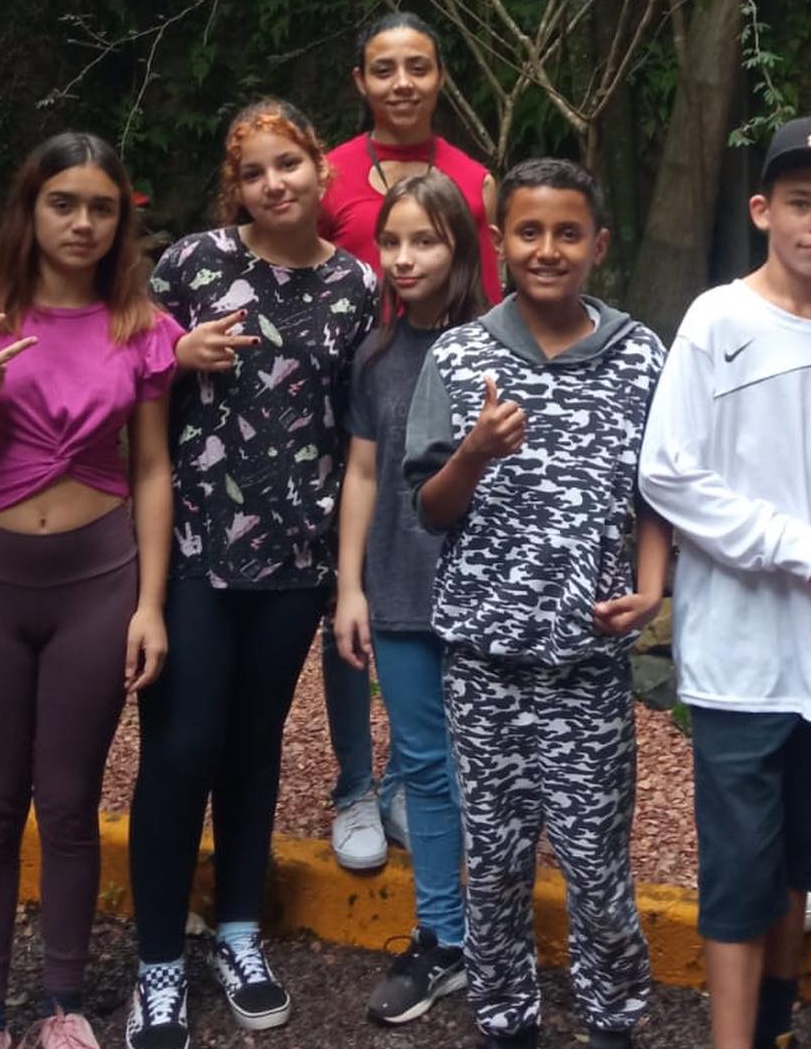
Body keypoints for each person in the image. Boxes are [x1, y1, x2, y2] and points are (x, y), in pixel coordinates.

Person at [0, 133, 179, 1049]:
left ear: (120, 219)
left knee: (67, 801)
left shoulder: (139, 324)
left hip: (97, 584)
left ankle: (64, 1004)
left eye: (102, 206)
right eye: (64, 202)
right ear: (31, 209)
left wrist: (150, 602)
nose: (83, 222)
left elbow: (151, 469)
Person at [639, 115, 811, 1049]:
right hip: (740, 658)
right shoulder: (717, 320)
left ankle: (774, 1029)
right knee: (740, 871)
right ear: (762, 210)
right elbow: (668, 472)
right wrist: (799, 544)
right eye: (800, 203)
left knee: (800, 864)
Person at [125, 100, 377, 1049]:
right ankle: (157, 963)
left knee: (254, 746)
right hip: (195, 547)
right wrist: (175, 351)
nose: (275, 183)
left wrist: (346, 575)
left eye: (289, 164)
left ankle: (237, 929)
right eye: (255, 171)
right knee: (181, 745)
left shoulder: (356, 284)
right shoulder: (193, 265)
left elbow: (354, 435)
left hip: (296, 558)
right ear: (237, 186)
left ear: (320, 168)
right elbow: (130, 371)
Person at [403, 157, 669, 1049]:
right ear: (499, 242)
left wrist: (652, 587)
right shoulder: (459, 355)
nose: (547, 249)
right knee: (495, 861)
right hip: (483, 662)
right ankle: (505, 1017)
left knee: (597, 863)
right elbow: (429, 508)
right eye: (528, 231)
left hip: (588, 664)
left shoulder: (640, 354)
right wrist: (474, 450)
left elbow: (656, 496)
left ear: (599, 244)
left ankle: (613, 1016)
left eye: (567, 232)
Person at [318, 10, 501, 870]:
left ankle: (409, 776)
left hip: (439, 391)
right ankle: (355, 781)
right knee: (352, 590)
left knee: (429, 591)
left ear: (440, 75)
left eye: (418, 65)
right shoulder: (328, 174)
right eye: (384, 67)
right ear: (360, 79)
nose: (402, 82)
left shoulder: (474, 179)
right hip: (350, 389)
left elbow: (490, 291)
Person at [334, 172, 488, 1024]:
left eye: (424, 240)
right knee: (425, 766)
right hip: (397, 589)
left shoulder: (499, 345)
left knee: (494, 769)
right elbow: (361, 472)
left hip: (486, 592)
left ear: (459, 245)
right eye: (391, 240)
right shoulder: (375, 356)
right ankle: (442, 937)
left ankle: (494, 930)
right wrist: (349, 585)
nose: (403, 257)